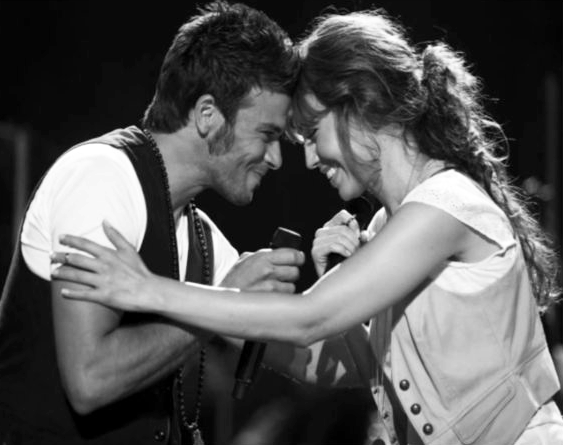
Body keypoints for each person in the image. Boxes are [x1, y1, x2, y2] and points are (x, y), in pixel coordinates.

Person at [52, 8, 563, 445]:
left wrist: (149, 289)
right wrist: (255, 308)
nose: (311, 159)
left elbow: (309, 318)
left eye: (313, 134)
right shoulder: (388, 224)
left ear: (360, 104)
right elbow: (343, 362)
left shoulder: (444, 204)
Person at [0, 2, 305, 444]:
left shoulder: (200, 237)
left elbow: (304, 355)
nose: (276, 158)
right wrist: (218, 305)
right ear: (207, 114)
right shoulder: (101, 179)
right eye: (268, 134)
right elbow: (90, 380)